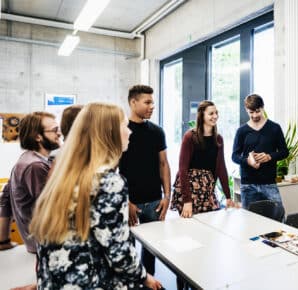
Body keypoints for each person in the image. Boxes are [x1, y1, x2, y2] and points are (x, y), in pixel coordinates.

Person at [29, 102, 163, 289]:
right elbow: (118, 253)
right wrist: (145, 277)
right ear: (109, 133)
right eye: (125, 126)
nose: (130, 132)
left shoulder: (64, 175)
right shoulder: (109, 183)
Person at [119, 84, 171, 275]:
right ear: (133, 102)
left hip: (154, 201)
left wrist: (167, 196)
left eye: (153, 102)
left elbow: (163, 164)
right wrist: (125, 200)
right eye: (147, 102)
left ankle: (149, 281)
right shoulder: (121, 132)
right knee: (127, 248)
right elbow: (113, 170)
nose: (152, 106)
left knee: (151, 250)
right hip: (129, 202)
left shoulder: (157, 131)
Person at [0, 112, 61, 253]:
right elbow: (53, 208)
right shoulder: (35, 166)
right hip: (44, 246)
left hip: (37, 244)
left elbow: (6, 198)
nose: (59, 134)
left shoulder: (27, 159)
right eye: (54, 130)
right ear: (38, 137)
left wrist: (3, 240)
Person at [171, 100, 235, 218]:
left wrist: (228, 197)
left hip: (207, 189)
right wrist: (187, 200)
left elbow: (221, 167)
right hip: (189, 190)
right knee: (189, 227)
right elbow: (182, 169)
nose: (215, 116)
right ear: (202, 115)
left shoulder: (218, 139)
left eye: (216, 113)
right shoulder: (190, 137)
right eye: (211, 114)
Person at [232, 94, 289, 209]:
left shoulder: (274, 128)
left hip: (269, 183)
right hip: (248, 185)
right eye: (251, 112)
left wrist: (269, 157)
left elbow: (284, 152)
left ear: (262, 107)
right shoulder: (241, 131)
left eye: (257, 111)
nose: (254, 115)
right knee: (249, 220)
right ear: (246, 110)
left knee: (278, 217)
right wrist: (248, 161)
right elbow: (235, 156)